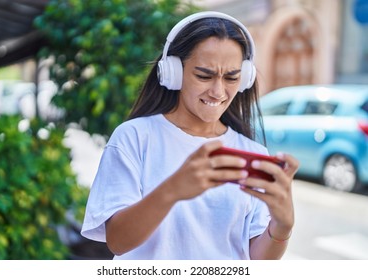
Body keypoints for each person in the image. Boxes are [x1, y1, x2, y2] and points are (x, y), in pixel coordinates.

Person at [81, 11, 299, 260]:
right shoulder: (134, 137)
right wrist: (173, 190)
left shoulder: (253, 153)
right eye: (204, 75)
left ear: (245, 78)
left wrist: (282, 227)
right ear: (173, 72)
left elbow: (257, 261)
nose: (218, 91)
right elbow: (118, 242)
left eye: (231, 77)